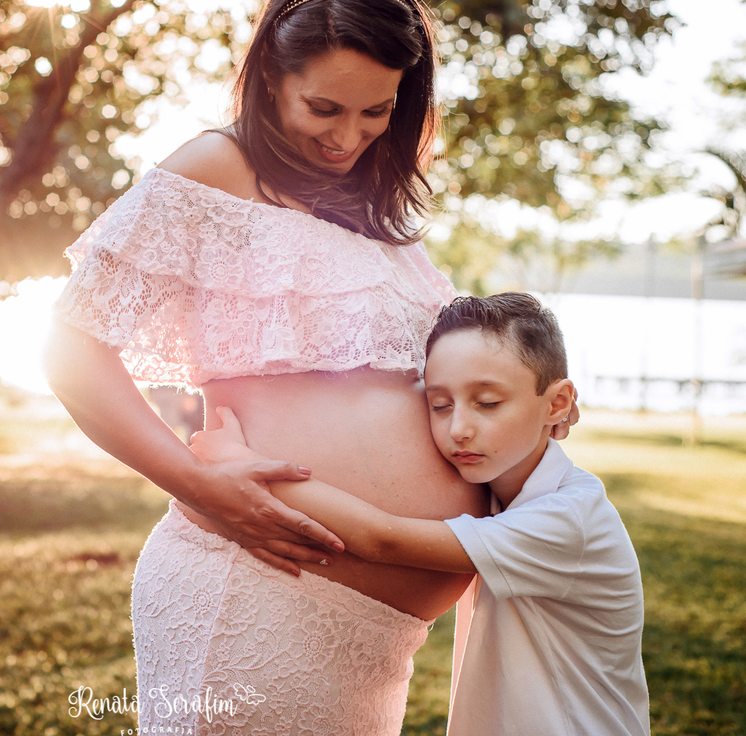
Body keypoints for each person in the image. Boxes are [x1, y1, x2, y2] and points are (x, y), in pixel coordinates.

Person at [45, 0, 496, 735]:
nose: (347, 136)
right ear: (269, 79)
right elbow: (71, 348)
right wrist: (198, 481)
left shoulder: (379, 217)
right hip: (252, 588)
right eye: (324, 107)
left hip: (376, 640)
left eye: (376, 111)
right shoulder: (219, 168)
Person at [193, 293, 650, 736]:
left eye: (488, 403)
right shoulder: (508, 491)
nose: (459, 429)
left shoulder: (569, 519)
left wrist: (242, 462)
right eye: (439, 405)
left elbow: (381, 539)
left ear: (556, 403)